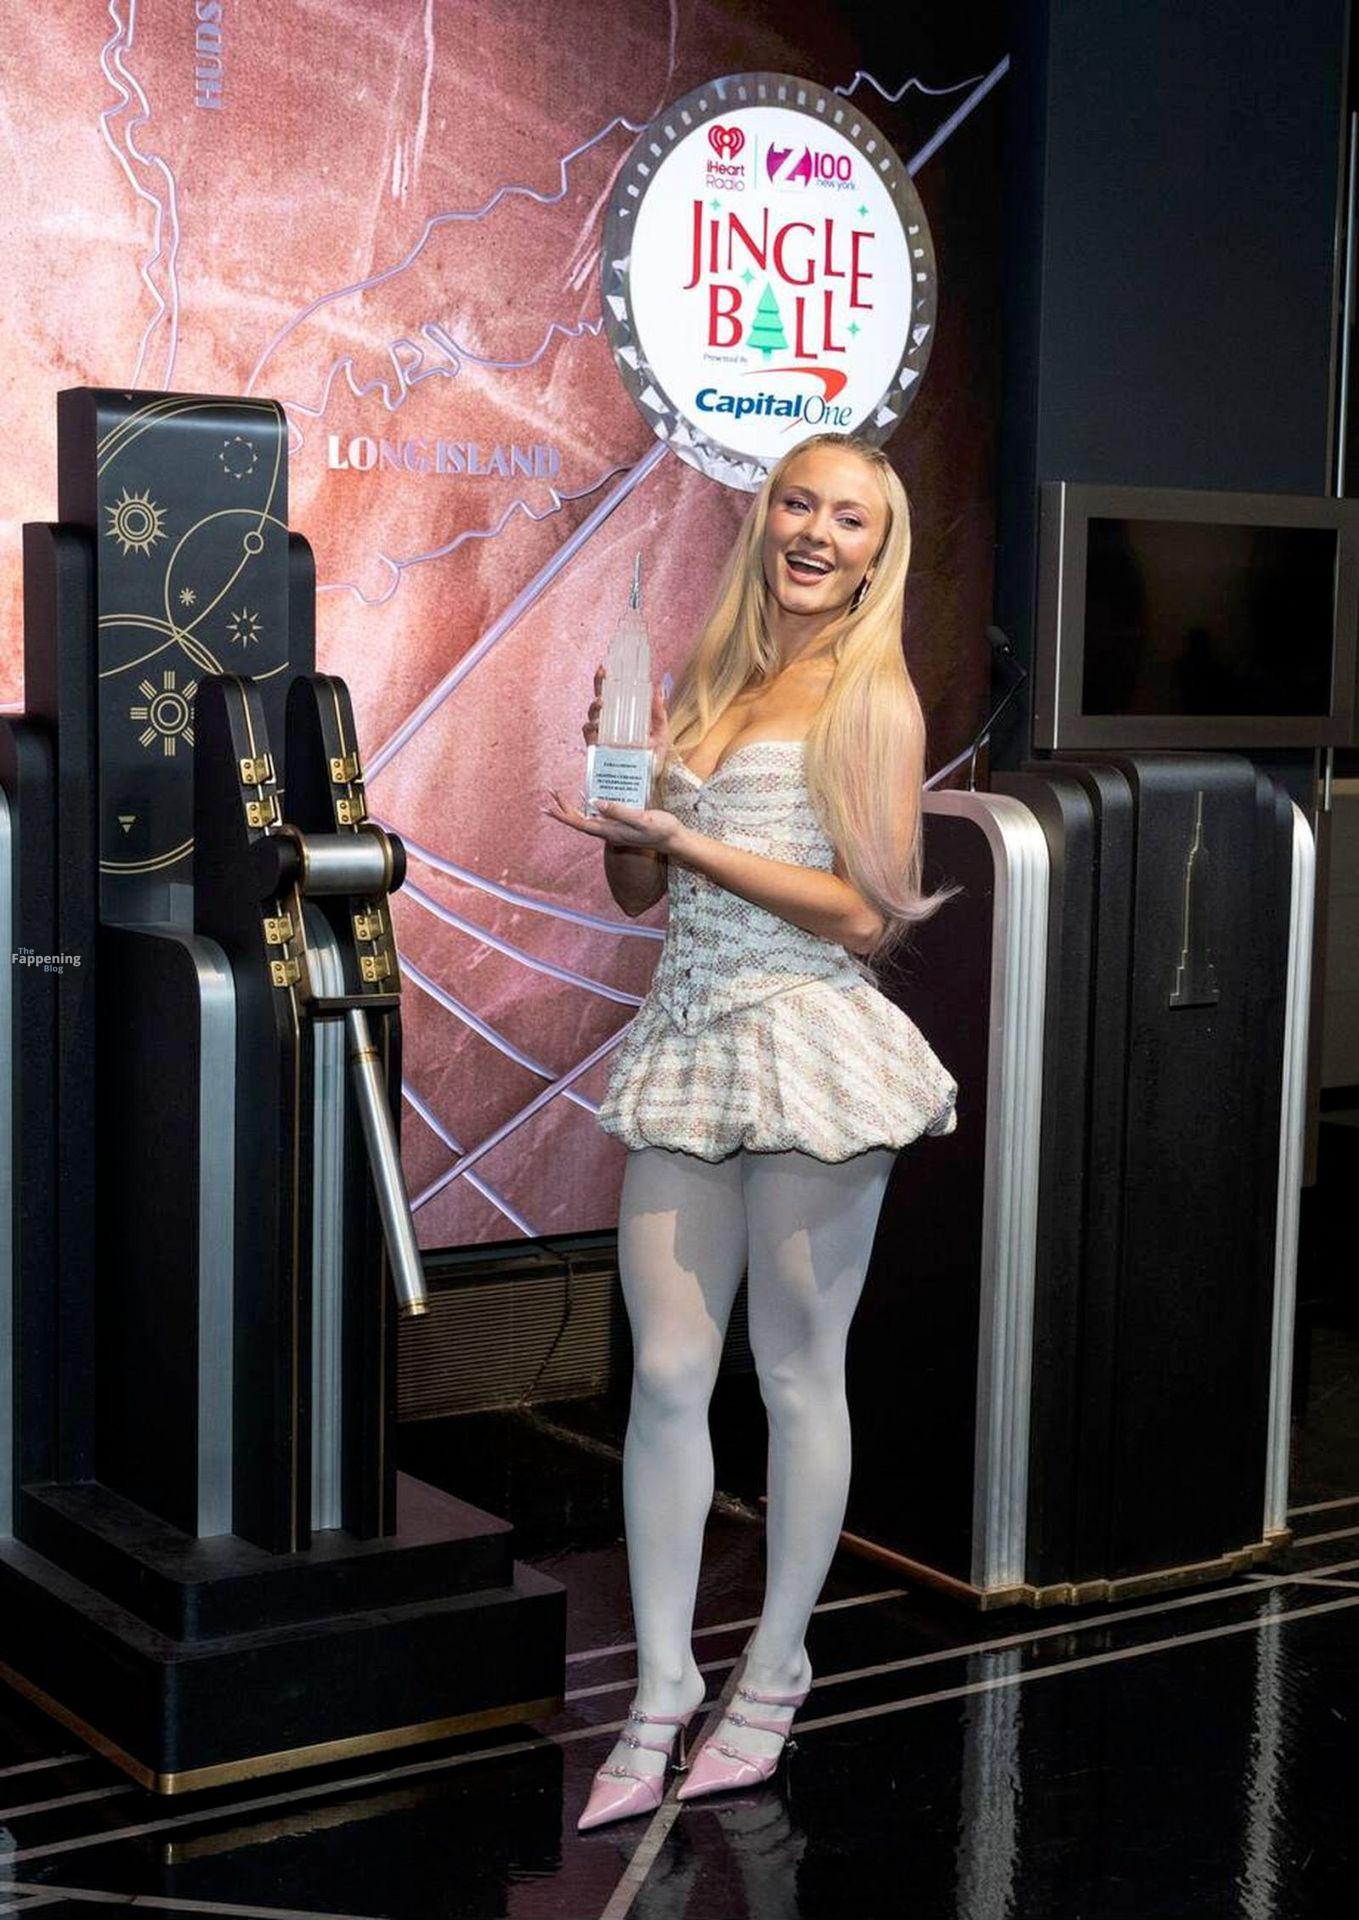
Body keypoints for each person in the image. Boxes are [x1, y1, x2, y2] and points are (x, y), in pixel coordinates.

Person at [543, 431, 959, 1831]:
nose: (817, 534)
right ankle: (662, 1689)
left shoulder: (873, 695)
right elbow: (637, 895)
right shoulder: (711, 680)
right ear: (765, 518)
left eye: (851, 519)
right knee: (667, 1375)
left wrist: (690, 837)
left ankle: (774, 1676)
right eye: (799, 504)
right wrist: (631, 813)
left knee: (793, 1374)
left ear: (877, 553)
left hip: (806, 1043)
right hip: (687, 1043)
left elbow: (866, 914)